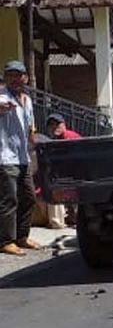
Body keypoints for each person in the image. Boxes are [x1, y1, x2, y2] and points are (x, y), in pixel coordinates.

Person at [0, 60, 39, 256]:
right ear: (6, 78)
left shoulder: (27, 100)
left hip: (23, 157)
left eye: (19, 75)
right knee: (9, 199)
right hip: (5, 157)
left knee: (30, 197)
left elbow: (30, 128)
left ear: (25, 77)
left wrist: (36, 144)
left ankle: (22, 237)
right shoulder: (2, 96)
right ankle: (6, 241)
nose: (15, 79)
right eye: (11, 75)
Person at [43, 113, 81, 228]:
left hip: (77, 171)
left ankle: (77, 219)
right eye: (51, 125)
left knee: (71, 191)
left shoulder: (68, 136)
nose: (54, 127)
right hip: (71, 171)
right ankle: (73, 218)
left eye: (57, 124)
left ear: (64, 125)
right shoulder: (58, 139)